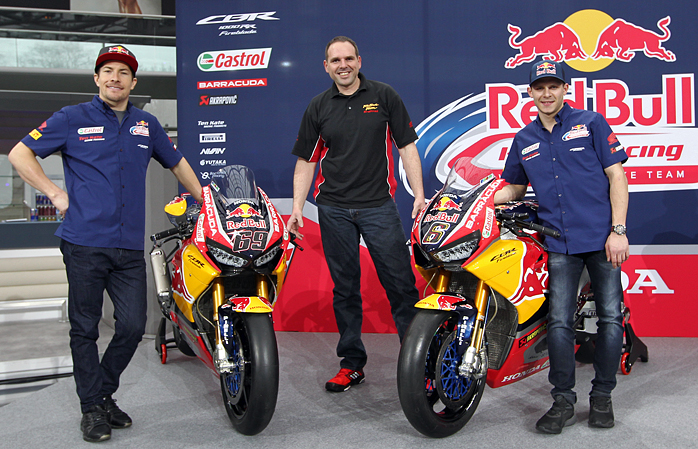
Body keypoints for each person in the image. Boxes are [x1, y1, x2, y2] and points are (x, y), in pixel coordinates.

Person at [8, 45, 202, 443]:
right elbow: (19, 152)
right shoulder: (71, 118)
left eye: (123, 72)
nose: (115, 77)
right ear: (96, 79)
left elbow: (178, 163)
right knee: (85, 328)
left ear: (134, 82)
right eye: (107, 71)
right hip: (83, 242)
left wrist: (207, 202)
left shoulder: (146, 125)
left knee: (131, 326)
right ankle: (92, 408)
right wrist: (54, 194)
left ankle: (101, 391)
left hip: (129, 245)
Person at [494, 60, 629, 433]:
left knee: (610, 319)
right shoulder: (524, 139)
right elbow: (514, 188)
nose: (547, 93)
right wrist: (483, 198)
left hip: (602, 239)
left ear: (565, 89)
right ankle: (563, 400)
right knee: (557, 322)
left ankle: (602, 396)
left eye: (554, 86)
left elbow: (616, 174)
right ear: (531, 92)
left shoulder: (592, 123)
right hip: (557, 242)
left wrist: (618, 229)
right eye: (540, 87)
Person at [286, 36, 426, 393]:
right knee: (345, 291)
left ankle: (420, 363)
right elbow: (306, 161)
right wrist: (298, 207)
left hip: (378, 206)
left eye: (349, 58)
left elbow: (407, 146)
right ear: (327, 66)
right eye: (336, 60)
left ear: (359, 61)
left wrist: (419, 194)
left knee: (401, 287)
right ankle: (351, 364)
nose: (343, 65)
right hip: (332, 209)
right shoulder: (318, 106)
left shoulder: (383, 96)